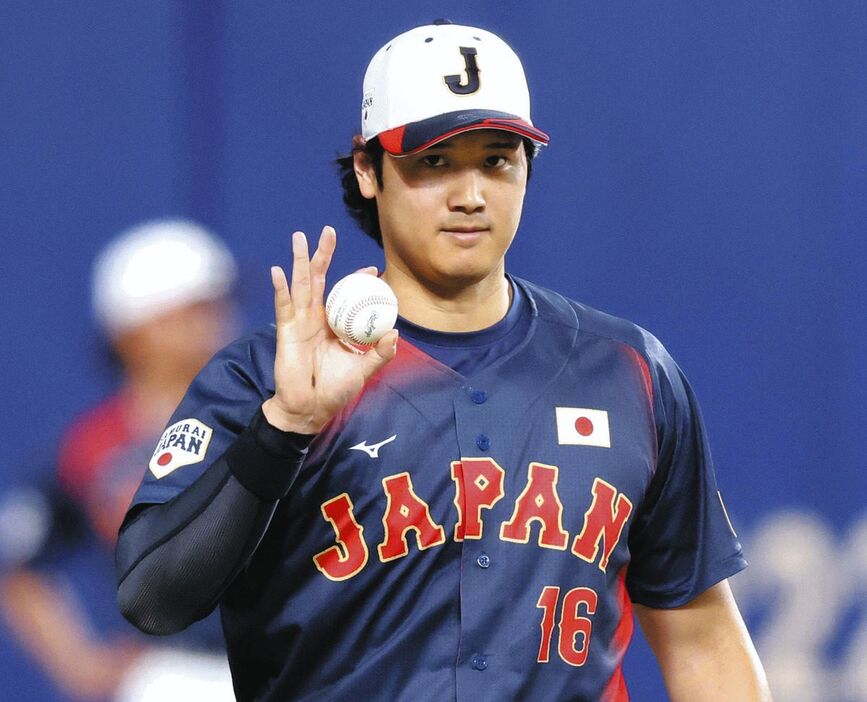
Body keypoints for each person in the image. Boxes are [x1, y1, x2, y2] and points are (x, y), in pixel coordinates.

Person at [116, 21, 772, 701]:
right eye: (434, 162)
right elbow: (152, 601)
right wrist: (285, 427)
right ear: (367, 169)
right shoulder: (271, 374)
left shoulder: (628, 372)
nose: (470, 195)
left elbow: (703, 640)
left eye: (497, 160)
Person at [0, 220, 237, 701]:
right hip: (175, 676)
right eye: (189, 311)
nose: (211, 323)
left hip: (287, 664)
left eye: (215, 307)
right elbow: (18, 560)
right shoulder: (93, 446)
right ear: (130, 332)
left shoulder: (283, 412)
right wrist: (80, 664)